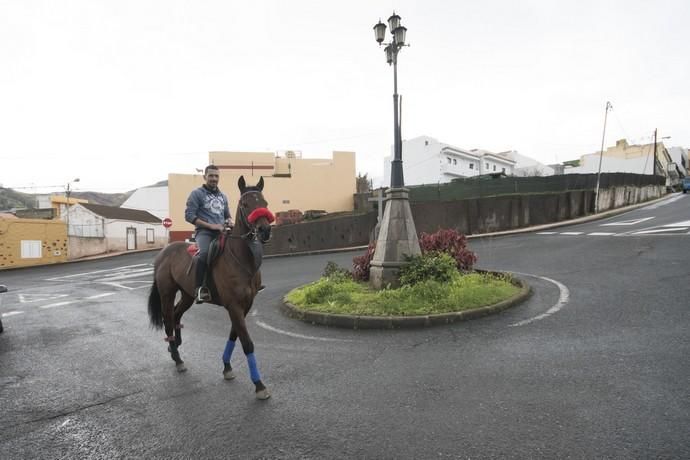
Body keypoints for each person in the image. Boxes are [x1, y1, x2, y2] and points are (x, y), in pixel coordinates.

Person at [185, 165, 232, 303]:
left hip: (222, 232)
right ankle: (199, 289)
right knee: (204, 253)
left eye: (216, 176)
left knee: (239, 248)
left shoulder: (223, 196)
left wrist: (230, 222)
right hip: (204, 232)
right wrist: (211, 225)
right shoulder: (197, 194)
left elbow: (227, 216)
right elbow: (189, 216)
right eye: (211, 176)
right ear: (205, 177)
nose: (214, 178)